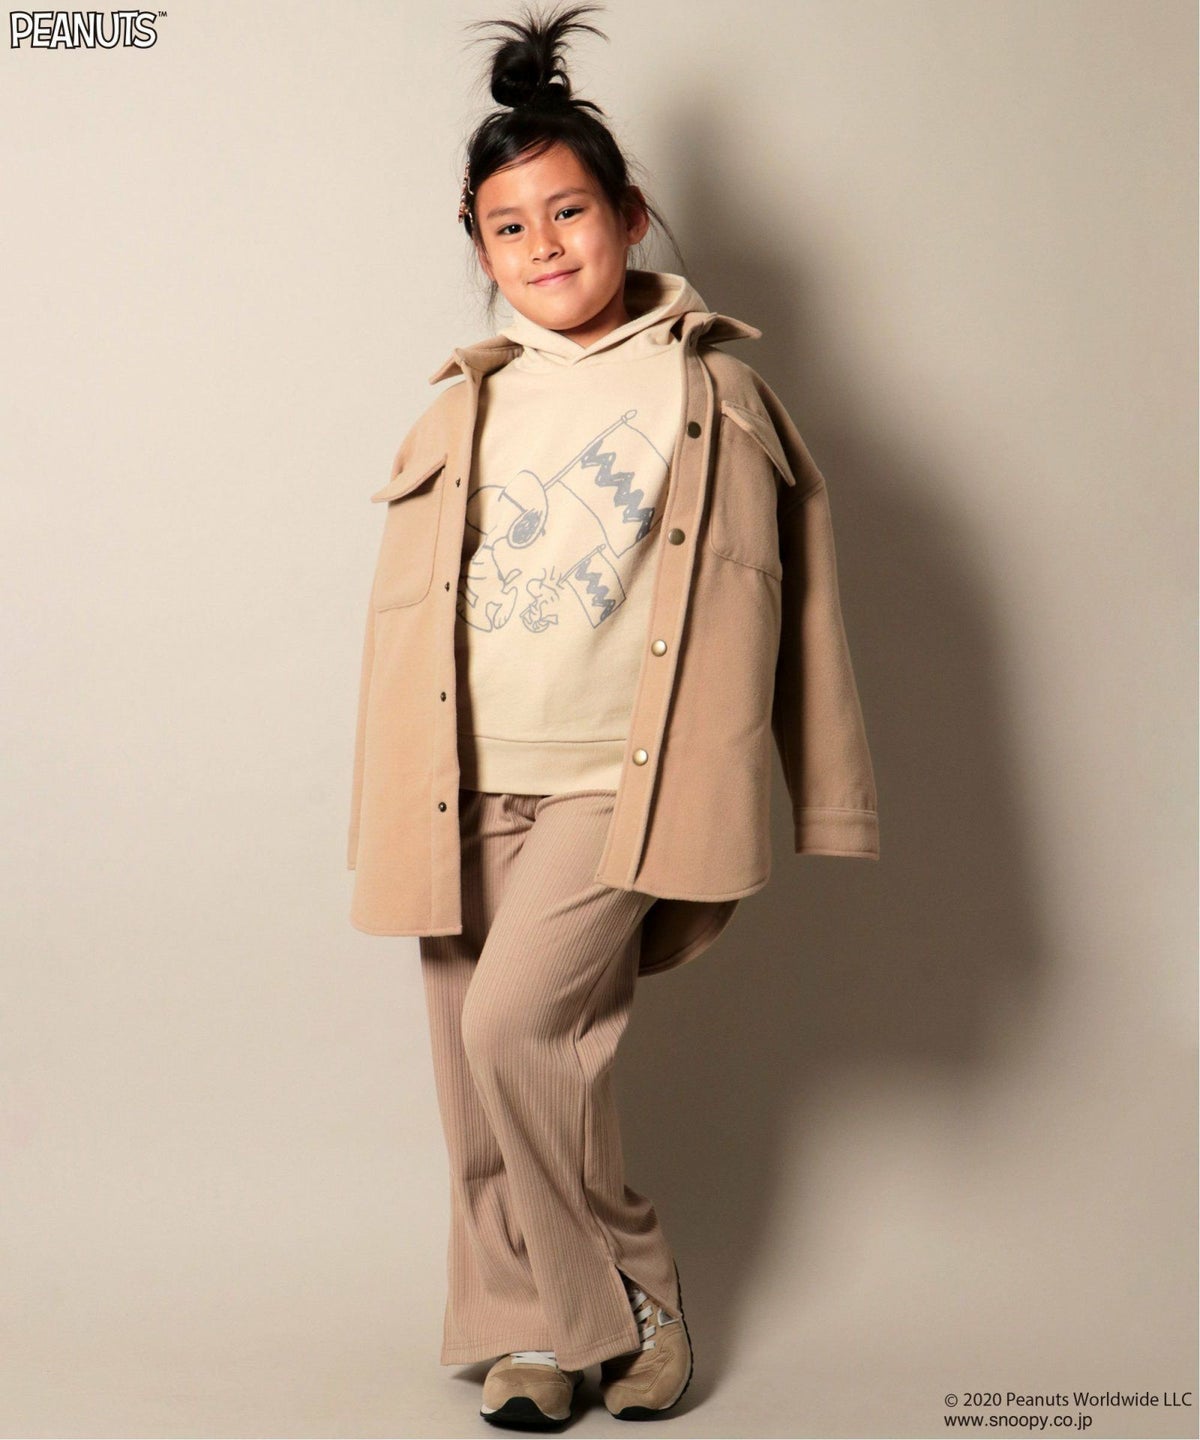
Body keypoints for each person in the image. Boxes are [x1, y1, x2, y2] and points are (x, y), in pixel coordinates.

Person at [346, 0, 879, 1427]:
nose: (544, 246)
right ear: (480, 250)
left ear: (631, 214)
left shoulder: (715, 392)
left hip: (616, 781)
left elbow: (797, 611)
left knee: (513, 1032)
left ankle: (630, 1295)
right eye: (508, 227)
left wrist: (826, 797)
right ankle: (529, 1335)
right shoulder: (459, 409)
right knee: (479, 1084)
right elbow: (404, 638)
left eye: (569, 211)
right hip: (462, 780)